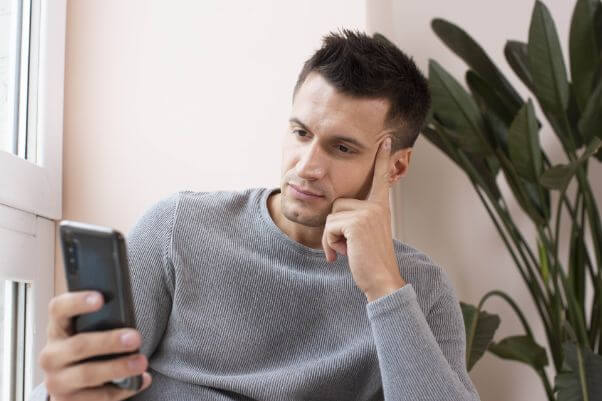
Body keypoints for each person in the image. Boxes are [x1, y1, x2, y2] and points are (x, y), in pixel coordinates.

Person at [30, 29, 481, 401]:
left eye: (342, 148)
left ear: (395, 167)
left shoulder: (419, 289)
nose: (307, 166)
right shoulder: (179, 228)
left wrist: (382, 286)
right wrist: (63, 392)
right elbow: (93, 387)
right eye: (300, 133)